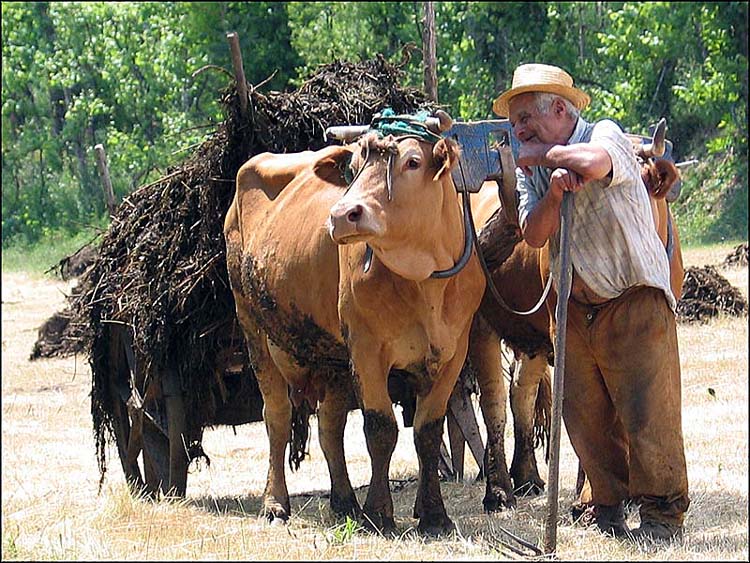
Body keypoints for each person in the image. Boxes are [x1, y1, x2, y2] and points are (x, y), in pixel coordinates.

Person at [492, 63, 690, 541]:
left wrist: (547, 155)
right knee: (585, 416)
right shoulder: (532, 174)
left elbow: (597, 164)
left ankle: (663, 515)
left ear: (559, 109)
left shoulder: (605, 133)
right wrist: (555, 192)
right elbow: (534, 233)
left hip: (633, 298)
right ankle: (607, 506)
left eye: (526, 119)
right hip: (574, 310)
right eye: (515, 123)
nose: (519, 131)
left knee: (648, 412)